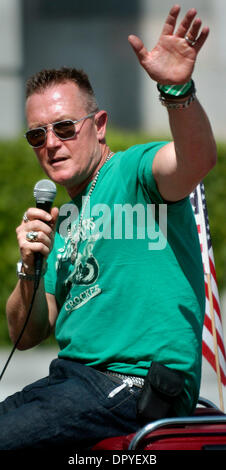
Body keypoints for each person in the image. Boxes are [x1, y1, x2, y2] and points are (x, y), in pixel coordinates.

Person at [1, 5, 217, 449]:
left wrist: (176, 89)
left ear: (99, 127)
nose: (52, 144)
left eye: (64, 127)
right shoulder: (61, 219)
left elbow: (195, 160)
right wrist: (30, 268)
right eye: (37, 136)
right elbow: (28, 333)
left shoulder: (133, 172)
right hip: (71, 382)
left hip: (135, 383)